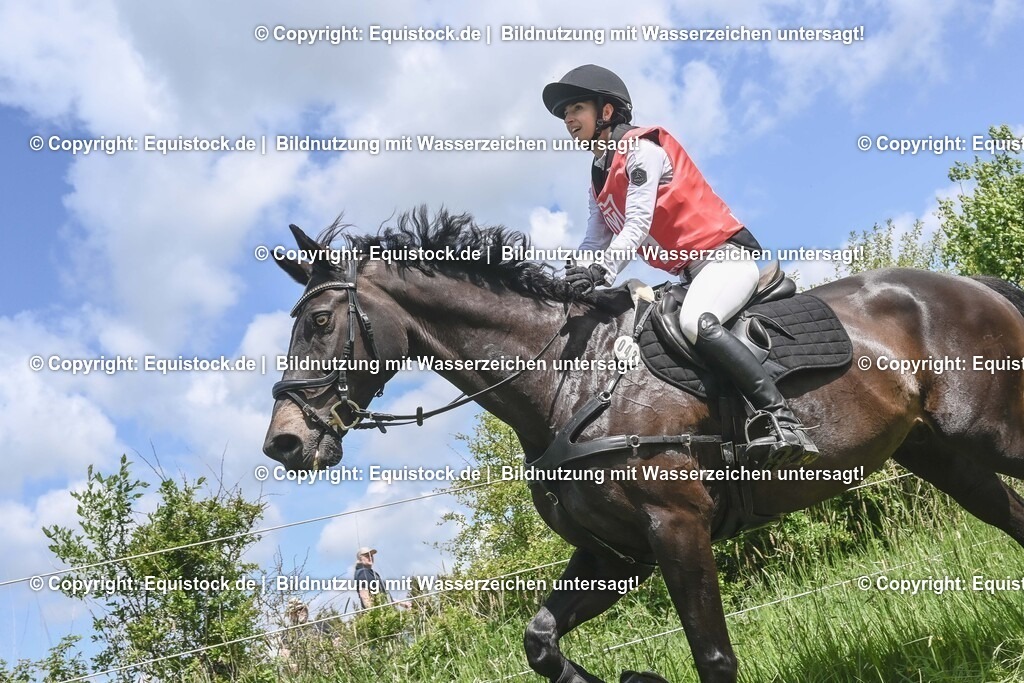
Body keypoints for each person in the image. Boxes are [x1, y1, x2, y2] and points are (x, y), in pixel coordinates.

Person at [542, 64, 817, 468]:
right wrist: (573, 274)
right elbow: (593, 239)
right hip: (691, 274)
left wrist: (601, 271)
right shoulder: (598, 177)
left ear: (606, 112)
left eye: (576, 108)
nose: (568, 119)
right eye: (565, 113)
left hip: (724, 259)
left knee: (695, 322)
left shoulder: (641, 151)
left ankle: (781, 419)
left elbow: (637, 224)